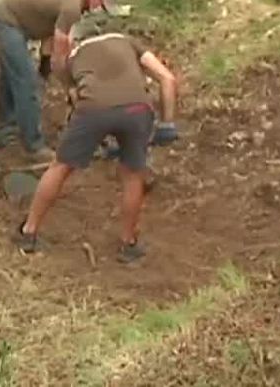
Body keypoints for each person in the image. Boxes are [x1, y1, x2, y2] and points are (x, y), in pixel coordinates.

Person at [15, 18, 179, 264]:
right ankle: (128, 244)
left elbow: (75, 95)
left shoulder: (73, 57)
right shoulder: (129, 43)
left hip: (93, 110)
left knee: (60, 167)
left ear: (79, 38)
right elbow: (168, 79)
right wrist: (167, 123)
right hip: (138, 110)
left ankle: (29, 233)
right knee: (134, 174)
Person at [0, 0, 127, 163]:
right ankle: (33, 147)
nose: (101, 10)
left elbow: (51, 30)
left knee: (13, 74)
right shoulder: (72, 7)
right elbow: (60, 54)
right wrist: (70, 85)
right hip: (6, 20)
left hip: (10, 13)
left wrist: (44, 68)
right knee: (27, 84)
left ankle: (7, 126)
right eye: (102, 5)